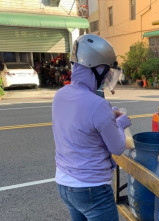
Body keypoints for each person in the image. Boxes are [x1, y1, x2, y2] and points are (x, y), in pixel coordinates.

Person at [52, 34, 131, 221]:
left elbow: (79, 122)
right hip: (91, 190)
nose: (106, 79)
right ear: (97, 69)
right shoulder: (98, 105)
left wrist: (106, 118)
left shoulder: (60, 95)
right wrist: (120, 123)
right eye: (106, 73)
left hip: (64, 184)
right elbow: (118, 147)